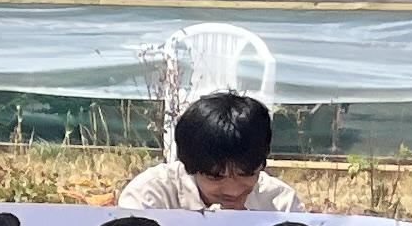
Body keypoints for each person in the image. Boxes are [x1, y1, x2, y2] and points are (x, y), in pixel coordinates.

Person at [115, 90, 305, 213]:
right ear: (189, 167)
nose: (233, 190)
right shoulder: (150, 198)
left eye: (247, 174)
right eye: (215, 177)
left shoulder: (280, 205)